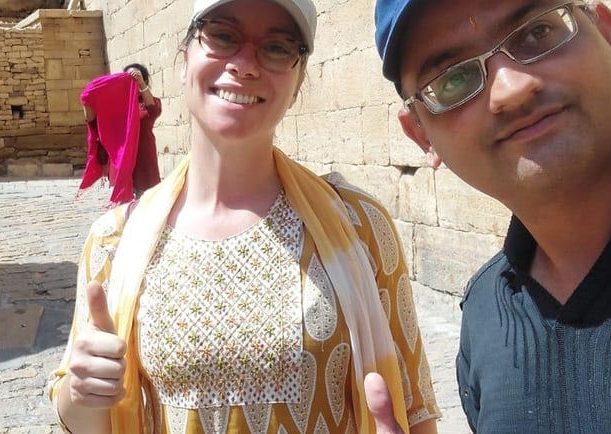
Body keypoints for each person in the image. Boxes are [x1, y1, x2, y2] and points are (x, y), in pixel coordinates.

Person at [47, 0, 441, 432]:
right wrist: (82, 391)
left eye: (277, 47)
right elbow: (81, 418)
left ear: (297, 85)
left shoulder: (359, 225)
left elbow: (414, 408)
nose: (245, 64)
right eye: (222, 35)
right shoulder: (114, 243)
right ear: (184, 61)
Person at [373, 0, 611, 432]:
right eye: (454, 79)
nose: (511, 89)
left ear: (608, 35)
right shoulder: (485, 315)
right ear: (421, 134)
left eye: (537, 32)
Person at [78, 63, 162, 205]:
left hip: (144, 161)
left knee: (147, 205)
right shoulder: (116, 105)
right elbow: (93, 122)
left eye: (136, 77)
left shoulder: (147, 103)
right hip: (121, 162)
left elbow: (153, 110)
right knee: (122, 208)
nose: (132, 81)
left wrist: (141, 83)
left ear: (145, 80)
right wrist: (88, 96)